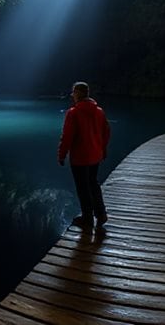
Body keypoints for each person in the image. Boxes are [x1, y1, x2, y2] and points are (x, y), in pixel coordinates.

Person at [58, 81, 111, 229]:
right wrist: (103, 149)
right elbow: (106, 132)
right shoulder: (99, 111)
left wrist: (61, 155)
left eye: (73, 92)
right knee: (93, 184)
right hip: (95, 155)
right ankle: (101, 214)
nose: (72, 95)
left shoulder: (73, 113)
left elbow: (67, 137)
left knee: (82, 188)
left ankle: (87, 219)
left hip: (80, 158)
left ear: (79, 93)